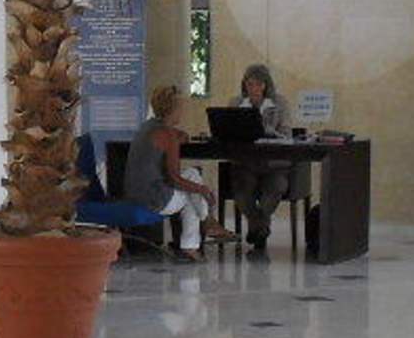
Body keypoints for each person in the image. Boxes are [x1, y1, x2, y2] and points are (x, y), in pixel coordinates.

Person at [124, 85, 234, 261]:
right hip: (154, 200)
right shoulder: (167, 135)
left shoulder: (147, 127)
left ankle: (201, 232)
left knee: (191, 176)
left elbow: (178, 137)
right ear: (174, 108)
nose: (183, 111)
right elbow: (174, 179)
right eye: (181, 107)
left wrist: (180, 135)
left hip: (134, 194)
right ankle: (203, 227)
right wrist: (203, 189)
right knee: (192, 193)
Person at [231, 62, 291, 256]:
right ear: (244, 85)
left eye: (259, 84)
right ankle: (260, 226)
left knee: (275, 187)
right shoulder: (236, 103)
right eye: (250, 84)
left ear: (267, 85)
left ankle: (256, 226)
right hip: (246, 163)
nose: (254, 88)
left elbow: (287, 135)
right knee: (241, 191)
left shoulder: (280, 103)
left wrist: (270, 132)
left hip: (274, 163)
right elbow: (228, 131)